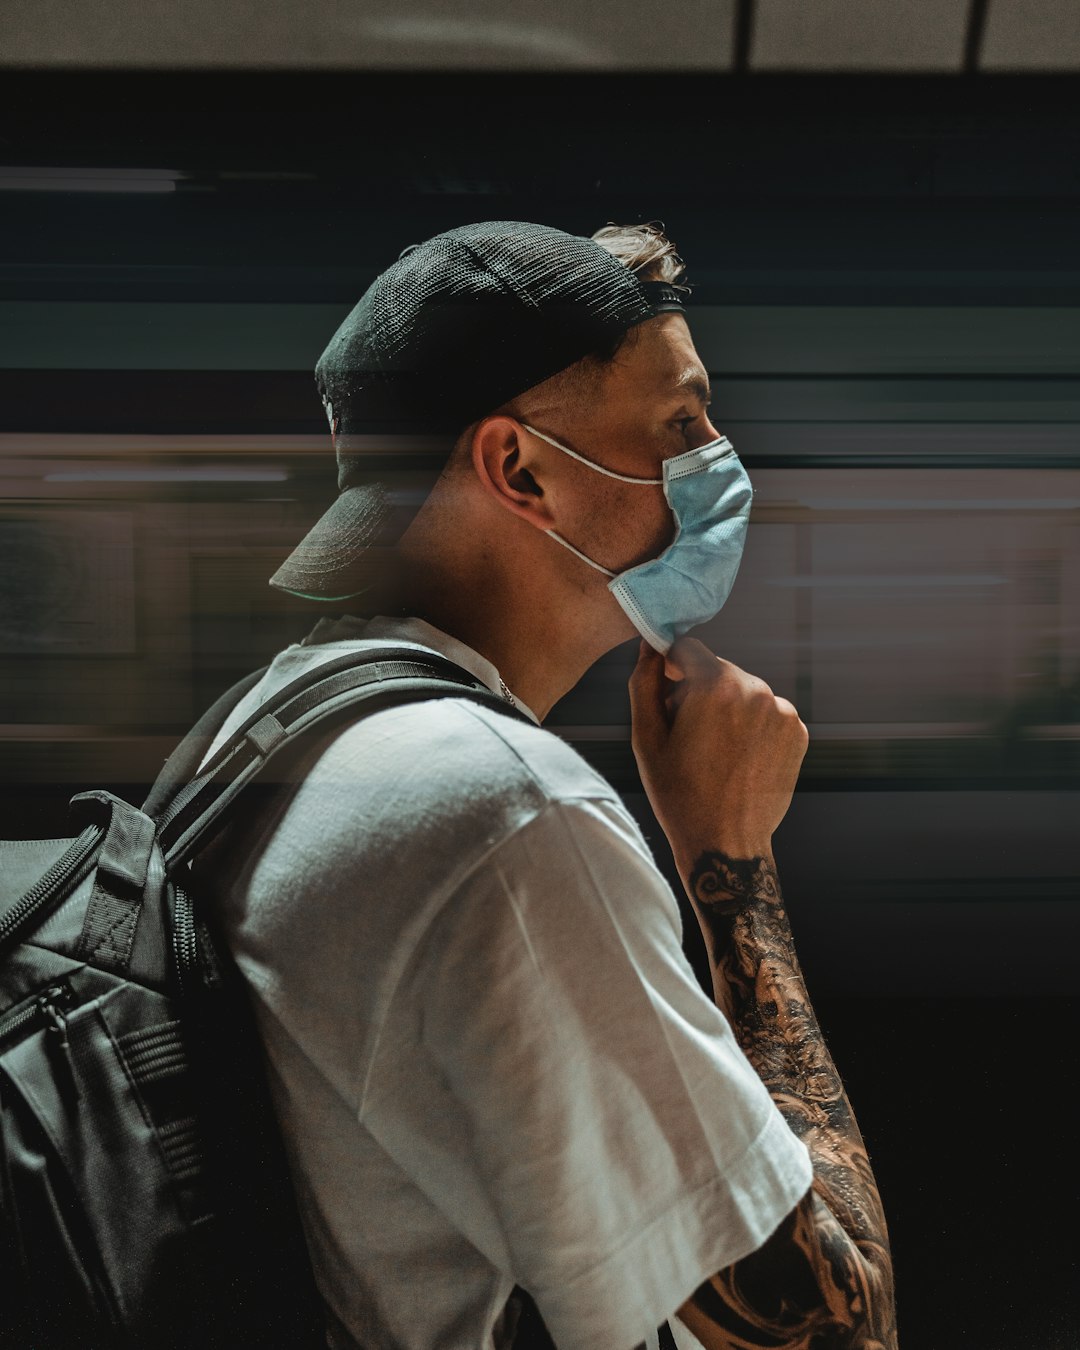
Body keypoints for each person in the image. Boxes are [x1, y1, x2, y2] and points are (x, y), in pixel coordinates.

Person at [192, 220, 897, 1349]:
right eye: (680, 420)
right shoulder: (505, 816)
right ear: (519, 471)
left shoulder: (267, 726)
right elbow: (832, 1326)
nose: (720, 452)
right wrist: (732, 861)